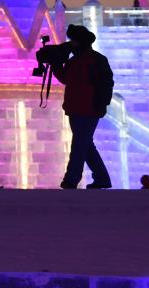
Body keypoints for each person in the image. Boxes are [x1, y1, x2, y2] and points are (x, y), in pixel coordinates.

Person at [38, 24, 114, 190]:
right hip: (75, 108)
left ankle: (71, 179)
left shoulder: (97, 60)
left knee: (79, 143)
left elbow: (106, 84)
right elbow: (66, 79)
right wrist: (56, 64)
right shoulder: (74, 61)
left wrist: (102, 104)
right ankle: (102, 178)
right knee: (85, 144)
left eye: (74, 41)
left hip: (89, 108)